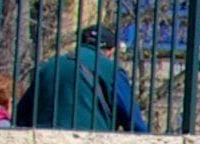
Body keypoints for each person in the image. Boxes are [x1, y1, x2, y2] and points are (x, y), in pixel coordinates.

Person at [13, 25, 149, 133]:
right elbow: (133, 121)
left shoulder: (49, 66)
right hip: (90, 143)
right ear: (111, 51)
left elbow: (21, 116)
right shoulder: (111, 70)